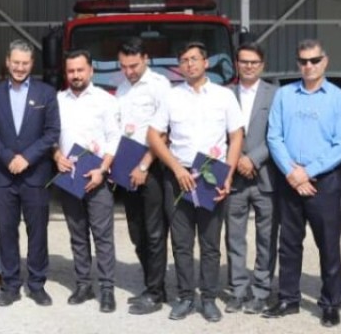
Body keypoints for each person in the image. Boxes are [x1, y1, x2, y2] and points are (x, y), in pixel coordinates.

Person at [147, 41, 242, 323]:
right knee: (182, 242)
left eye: (194, 59)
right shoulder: (172, 97)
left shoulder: (224, 96)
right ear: (180, 66)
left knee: (210, 243)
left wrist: (228, 174)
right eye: (184, 60)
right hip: (180, 175)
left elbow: (236, 135)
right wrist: (176, 168)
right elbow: (153, 135)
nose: (189, 64)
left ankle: (209, 298)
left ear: (206, 62)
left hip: (212, 174)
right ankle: (186, 296)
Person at [264, 39, 341, 327]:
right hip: (289, 179)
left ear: (325, 61)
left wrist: (308, 171)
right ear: (297, 63)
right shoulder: (284, 95)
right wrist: (292, 172)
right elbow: (274, 136)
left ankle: (331, 303)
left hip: (324, 180)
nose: (309, 66)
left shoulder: (339, 98)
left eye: (314, 60)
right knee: (289, 242)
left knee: (328, 244)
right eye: (303, 61)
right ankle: (288, 298)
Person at [0, 40, 61, 307]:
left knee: (37, 231)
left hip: (35, 174)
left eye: (25, 63)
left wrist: (26, 158)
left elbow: (52, 132)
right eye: (15, 62)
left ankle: (37, 284)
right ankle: (11, 285)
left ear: (32, 64)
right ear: (7, 62)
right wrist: (8, 158)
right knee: (6, 232)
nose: (20, 67)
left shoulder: (46, 93)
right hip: (4, 177)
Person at [54, 50, 121, 313]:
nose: (76, 75)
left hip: (97, 177)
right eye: (71, 71)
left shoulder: (106, 100)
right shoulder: (58, 101)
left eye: (80, 70)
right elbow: (51, 136)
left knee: (103, 236)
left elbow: (114, 138)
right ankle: (83, 284)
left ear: (91, 70)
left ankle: (107, 289)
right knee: (77, 235)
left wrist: (102, 170)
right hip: (69, 176)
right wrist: (56, 156)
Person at [112, 38, 172, 316]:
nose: (129, 71)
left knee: (155, 231)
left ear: (146, 59)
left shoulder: (160, 85)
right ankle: (152, 284)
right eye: (124, 66)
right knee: (137, 232)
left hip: (152, 167)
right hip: (126, 166)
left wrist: (145, 165)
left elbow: (165, 132)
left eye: (134, 66)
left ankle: (156, 292)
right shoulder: (122, 89)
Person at [224, 42, 280, 316]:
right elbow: (217, 133)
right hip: (233, 177)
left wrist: (253, 159)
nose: (248, 66)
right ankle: (237, 289)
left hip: (265, 176)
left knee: (266, 238)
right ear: (237, 64)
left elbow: (279, 134)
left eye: (254, 62)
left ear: (262, 65)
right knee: (234, 237)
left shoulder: (276, 94)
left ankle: (261, 291)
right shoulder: (224, 94)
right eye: (244, 61)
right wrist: (236, 161)